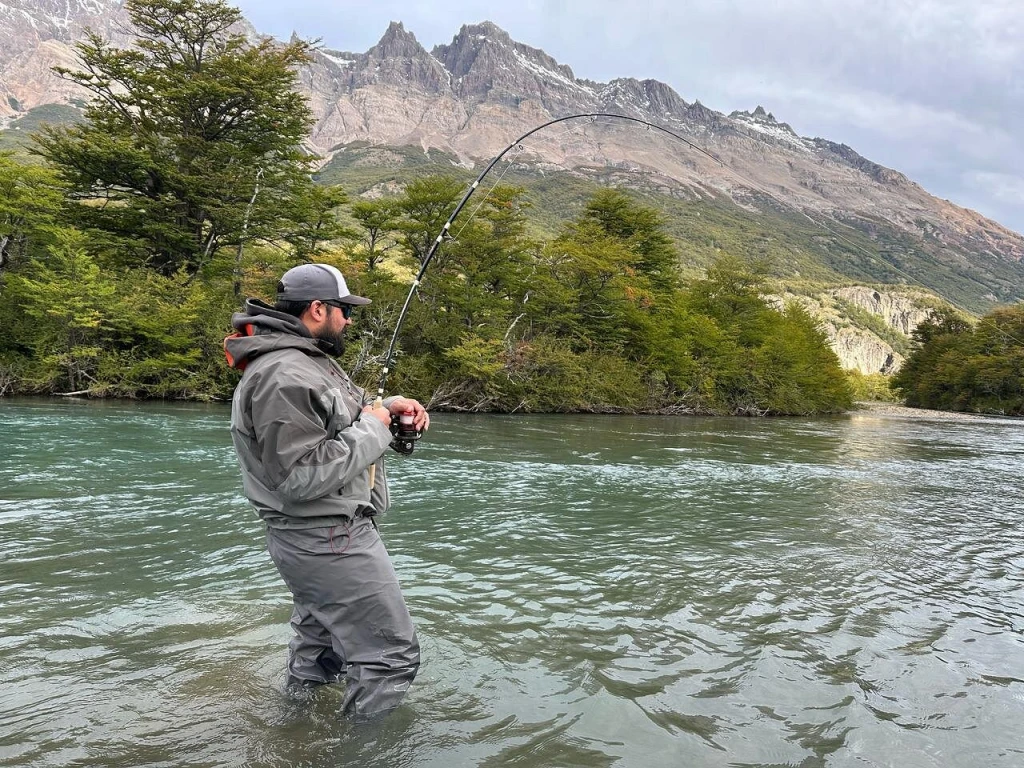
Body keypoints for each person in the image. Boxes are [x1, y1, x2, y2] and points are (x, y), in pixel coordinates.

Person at [224, 262, 427, 721]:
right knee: (389, 659)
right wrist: (376, 429)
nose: (349, 320)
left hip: (319, 538)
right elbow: (298, 478)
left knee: (320, 649)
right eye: (344, 310)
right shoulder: (283, 374)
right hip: (328, 539)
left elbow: (337, 427)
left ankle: (293, 732)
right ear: (318, 309)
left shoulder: (305, 361)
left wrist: (387, 409)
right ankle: (359, 753)